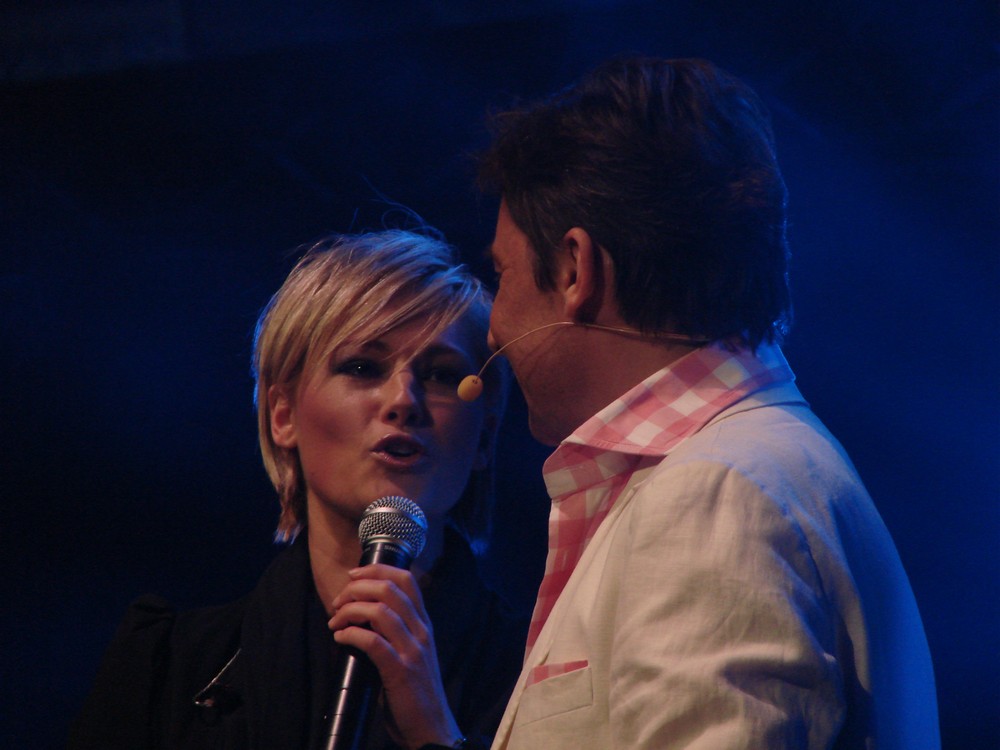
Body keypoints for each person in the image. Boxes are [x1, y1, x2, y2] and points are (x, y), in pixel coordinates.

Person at [475, 56, 939, 748]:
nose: (493, 327)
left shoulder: (714, 495)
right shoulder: (750, 464)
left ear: (574, 268)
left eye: (501, 275)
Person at [68, 229, 525, 750]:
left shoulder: (543, 667)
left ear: (485, 435)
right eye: (363, 367)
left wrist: (434, 734)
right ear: (282, 415)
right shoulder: (170, 667)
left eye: (441, 375)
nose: (404, 400)